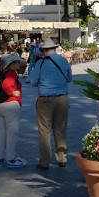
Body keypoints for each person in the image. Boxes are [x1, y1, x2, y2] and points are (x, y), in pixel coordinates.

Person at [29, 39, 72, 170]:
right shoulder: (64, 61)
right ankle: (62, 158)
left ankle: (45, 161)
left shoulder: (40, 63)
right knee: (60, 128)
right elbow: (69, 78)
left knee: (44, 131)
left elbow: (32, 81)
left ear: (43, 50)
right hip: (62, 98)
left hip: (46, 99)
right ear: (54, 48)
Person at [0, 53, 27, 169]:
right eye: (17, 62)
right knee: (12, 133)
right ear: (11, 64)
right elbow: (7, 84)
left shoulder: (0, 73)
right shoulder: (11, 74)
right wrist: (12, 92)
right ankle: (11, 158)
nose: (19, 64)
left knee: (1, 132)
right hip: (10, 105)